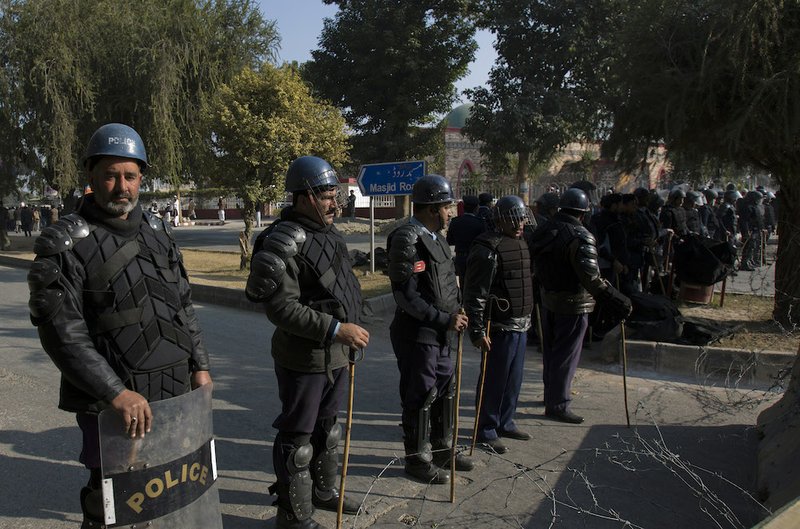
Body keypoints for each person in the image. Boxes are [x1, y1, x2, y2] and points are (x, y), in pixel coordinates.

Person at [27, 123, 212, 528]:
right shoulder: (64, 244)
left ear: (141, 177)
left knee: (172, 495)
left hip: (173, 392)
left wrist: (200, 364)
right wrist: (116, 393)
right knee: (111, 502)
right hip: (112, 405)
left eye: (129, 176)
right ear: (91, 176)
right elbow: (63, 335)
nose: (121, 186)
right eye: (110, 175)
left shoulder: (160, 232)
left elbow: (183, 304)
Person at [246, 156, 369, 528]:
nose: (334, 203)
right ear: (302, 197)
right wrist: (336, 329)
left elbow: (343, 283)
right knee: (298, 439)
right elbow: (280, 308)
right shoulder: (281, 241)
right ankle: (293, 516)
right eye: (326, 196)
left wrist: (357, 323)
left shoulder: (330, 232)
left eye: (336, 195)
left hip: (338, 355)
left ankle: (324, 492)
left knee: (328, 429)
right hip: (303, 357)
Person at [387, 174, 472, 484]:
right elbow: (406, 296)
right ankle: (417, 459)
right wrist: (443, 319)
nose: (450, 213)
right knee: (420, 395)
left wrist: (457, 309)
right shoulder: (406, 238)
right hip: (418, 334)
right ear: (433, 208)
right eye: (447, 207)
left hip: (443, 333)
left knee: (445, 392)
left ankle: (442, 448)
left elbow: (446, 283)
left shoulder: (436, 238)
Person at [528, 188, 631, 424]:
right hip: (573, 304)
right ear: (583, 213)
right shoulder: (579, 235)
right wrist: (617, 299)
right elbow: (591, 278)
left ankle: (550, 396)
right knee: (566, 355)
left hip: (548, 299)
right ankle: (559, 403)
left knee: (552, 354)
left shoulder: (544, 230)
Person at [463, 195, 534, 454]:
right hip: (500, 329)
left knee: (513, 380)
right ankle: (486, 429)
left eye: (521, 219)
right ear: (500, 220)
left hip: (520, 325)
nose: (519, 225)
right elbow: (475, 294)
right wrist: (478, 331)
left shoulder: (520, 242)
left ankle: (506, 421)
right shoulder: (487, 248)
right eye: (514, 220)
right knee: (494, 380)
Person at [446, 195, 486, 286]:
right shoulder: (479, 223)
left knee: (462, 283)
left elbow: (450, 240)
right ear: (476, 208)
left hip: (461, 258)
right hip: (475, 258)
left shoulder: (455, 221)